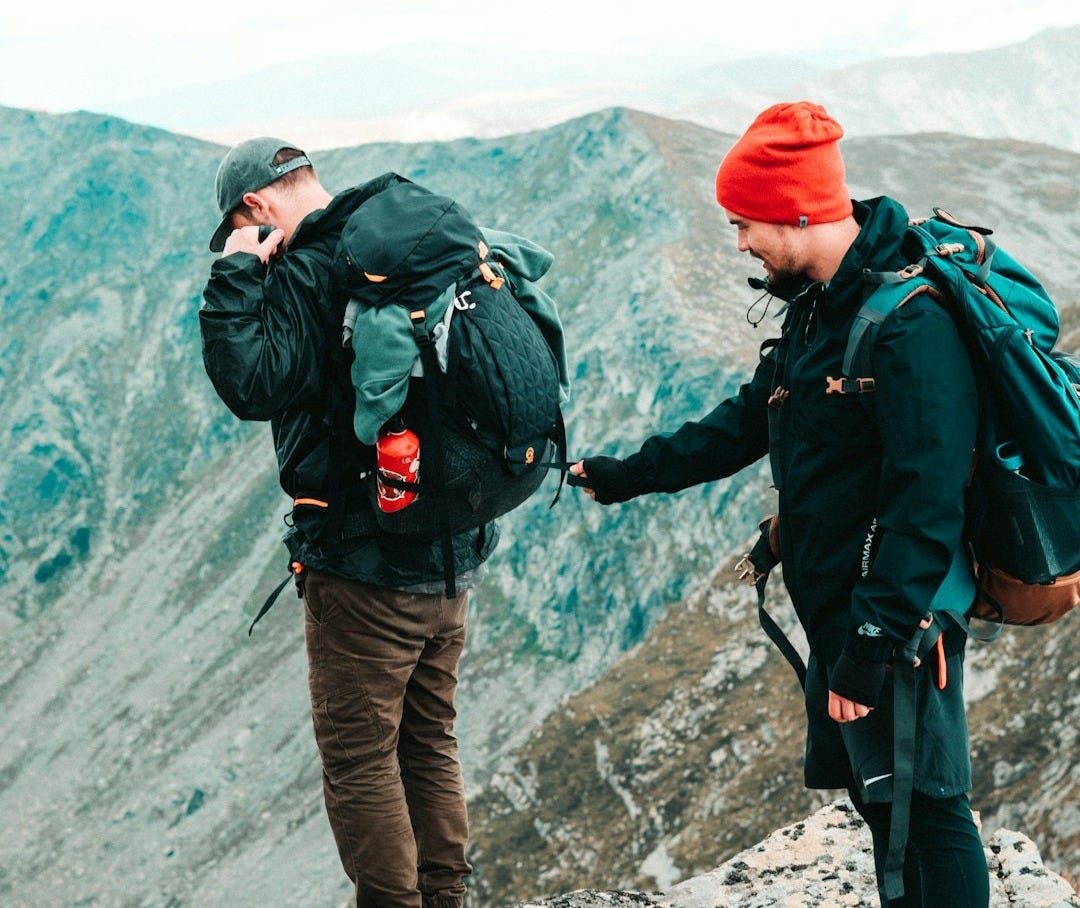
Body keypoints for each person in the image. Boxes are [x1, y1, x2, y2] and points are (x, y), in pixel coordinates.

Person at [571, 102, 989, 908]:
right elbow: (748, 419)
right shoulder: (820, 307)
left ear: (797, 212)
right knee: (883, 803)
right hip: (845, 606)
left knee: (928, 809)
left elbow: (927, 503)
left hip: (899, 621)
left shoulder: (910, 327)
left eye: (745, 224)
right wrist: (631, 474)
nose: (740, 245)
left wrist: (871, 643)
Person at [199, 138, 493, 908]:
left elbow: (251, 384)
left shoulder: (308, 267)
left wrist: (235, 270)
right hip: (451, 551)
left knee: (362, 762)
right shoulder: (406, 245)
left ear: (257, 206)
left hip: (364, 573)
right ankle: (446, 899)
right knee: (429, 743)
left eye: (239, 220)